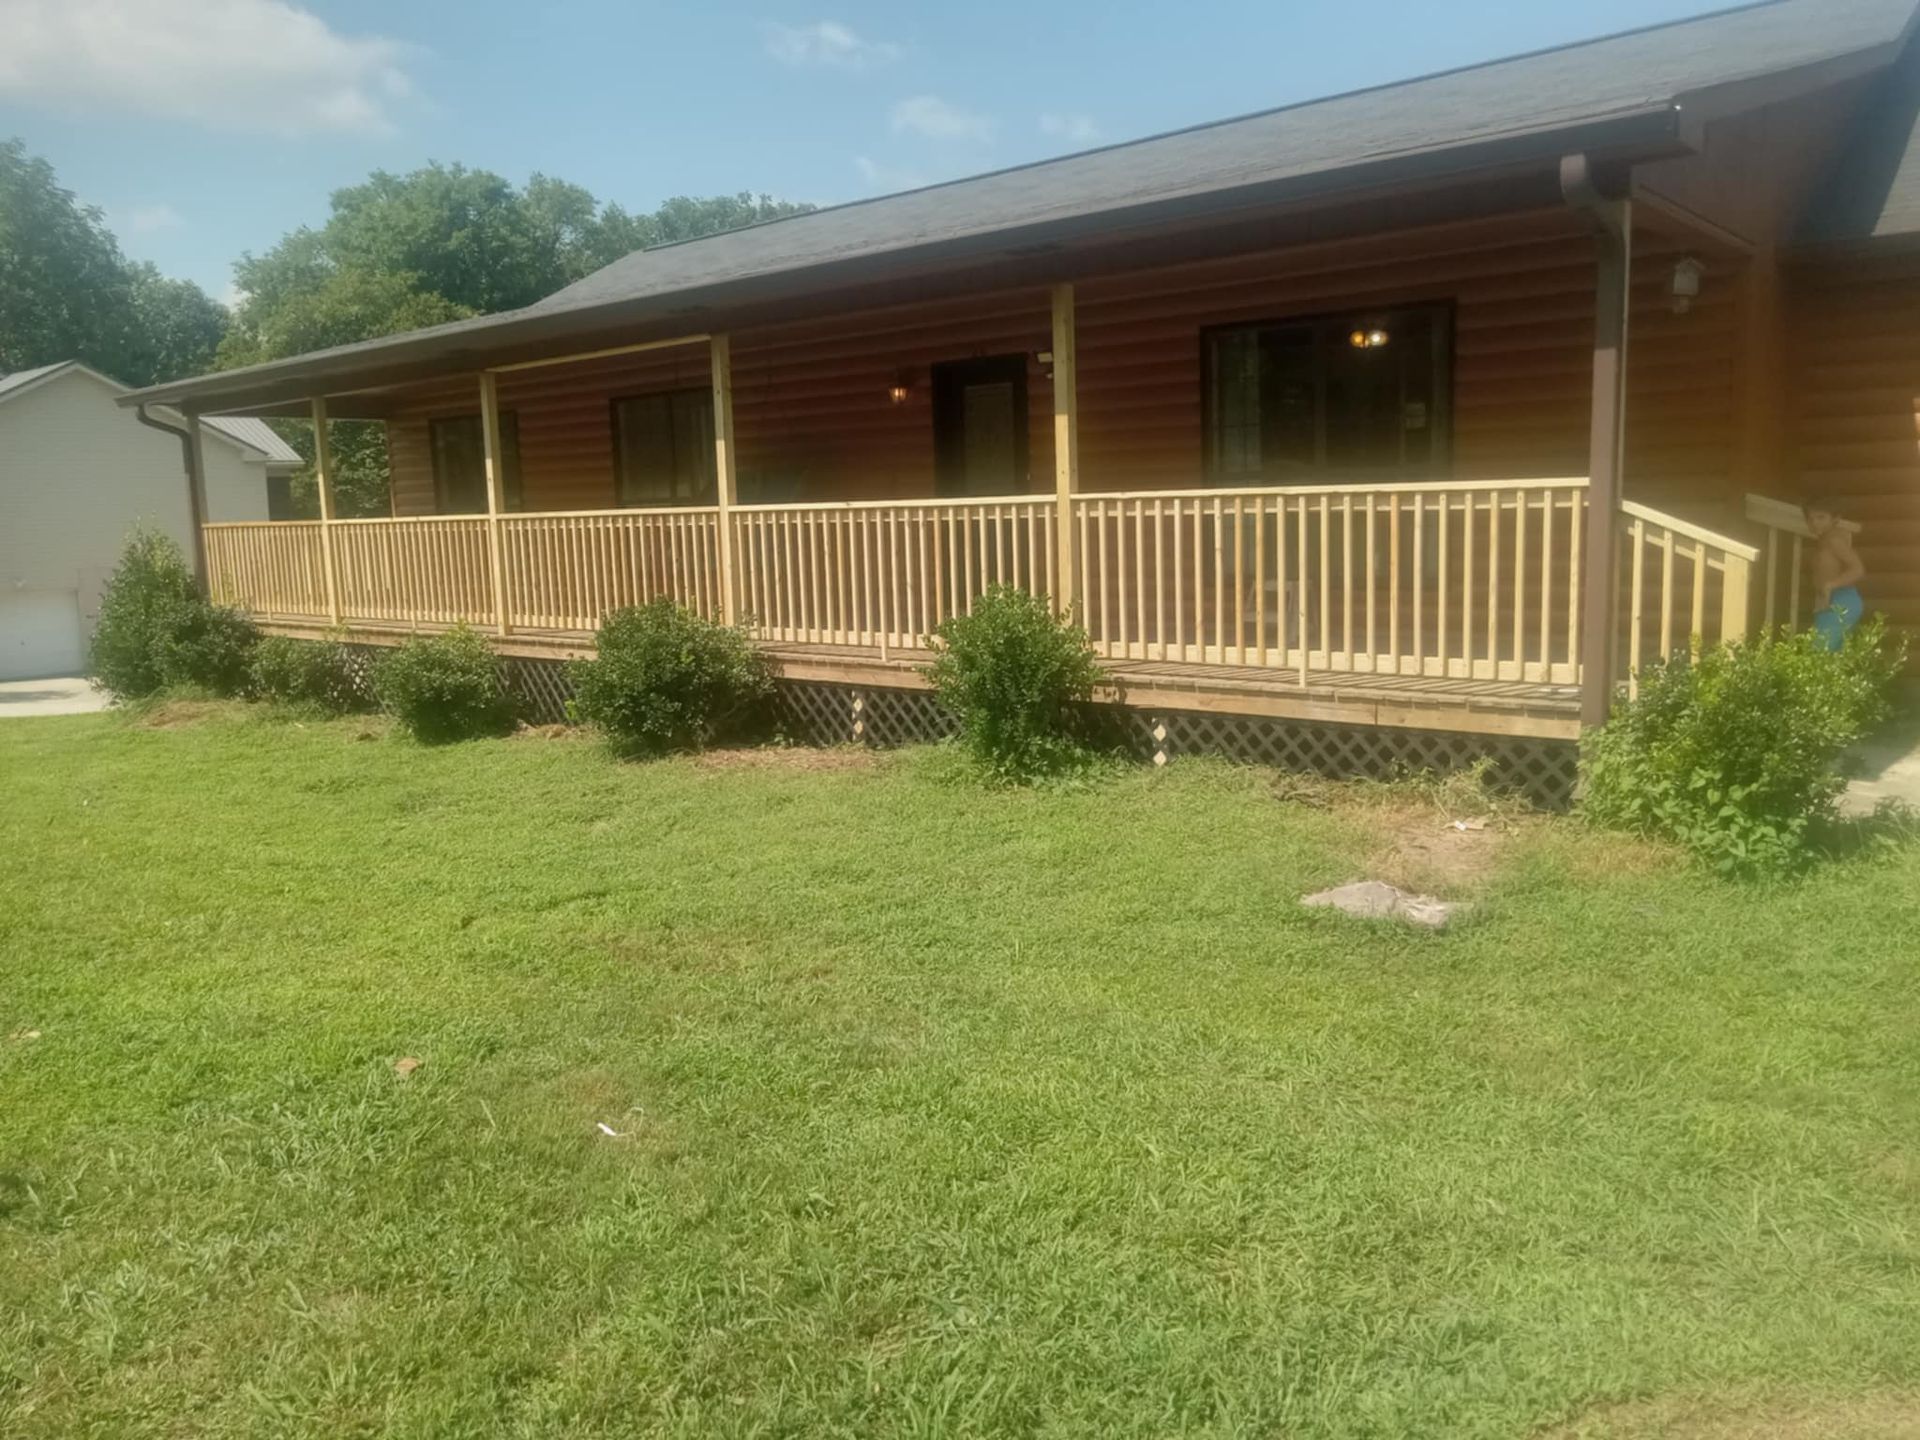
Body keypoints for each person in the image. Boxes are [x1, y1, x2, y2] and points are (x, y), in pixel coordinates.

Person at [1804, 502, 1866, 651]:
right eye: (1810, 519)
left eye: (1821, 517)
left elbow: (1858, 569)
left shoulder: (1835, 541)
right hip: (1828, 601)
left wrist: (1830, 585)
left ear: (1835, 519)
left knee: (1820, 653)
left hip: (1842, 600)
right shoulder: (1823, 541)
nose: (1814, 523)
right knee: (1831, 659)